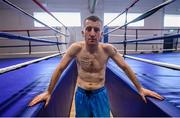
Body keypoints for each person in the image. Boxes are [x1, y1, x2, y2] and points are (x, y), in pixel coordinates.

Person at [29, 15, 164, 117]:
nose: (92, 33)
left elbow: (125, 67)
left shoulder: (107, 49)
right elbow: (59, 68)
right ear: (83, 32)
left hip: (100, 94)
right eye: (88, 29)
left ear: (101, 34)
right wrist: (48, 92)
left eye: (96, 30)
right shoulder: (75, 48)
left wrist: (140, 89)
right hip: (81, 94)